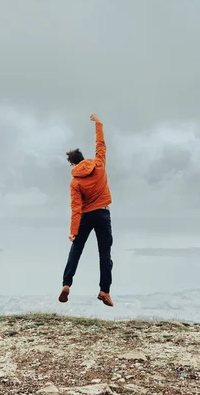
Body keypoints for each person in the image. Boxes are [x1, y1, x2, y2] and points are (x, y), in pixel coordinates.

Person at [58, 113, 114, 307]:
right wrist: (98, 123)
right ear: (83, 159)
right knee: (104, 253)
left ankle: (66, 284)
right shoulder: (99, 164)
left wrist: (73, 232)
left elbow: (76, 208)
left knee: (76, 250)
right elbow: (101, 144)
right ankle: (104, 290)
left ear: (73, 164)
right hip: (103, 214)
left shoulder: (75, 182)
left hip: (85, 217)